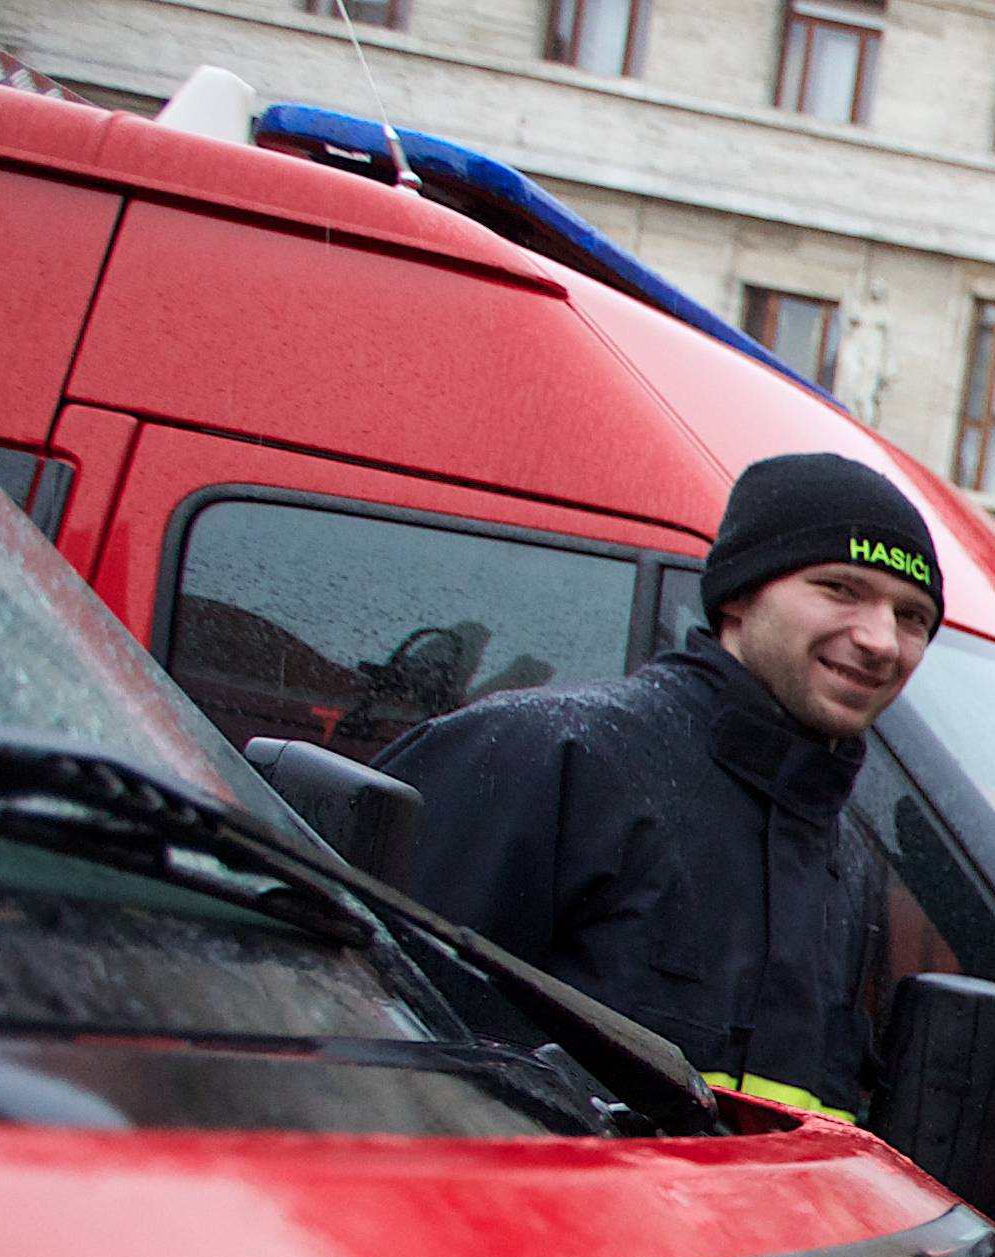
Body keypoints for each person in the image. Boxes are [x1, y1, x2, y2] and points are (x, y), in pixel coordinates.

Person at [385, 452, 940, 1119]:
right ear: (739, 593)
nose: (882, 639)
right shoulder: (550, 757)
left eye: (912, 616)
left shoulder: (840, 858)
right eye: (840, 589)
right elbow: (375, 1052)